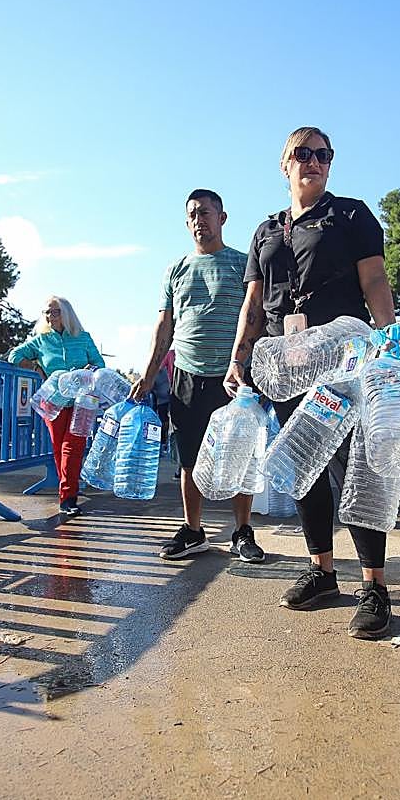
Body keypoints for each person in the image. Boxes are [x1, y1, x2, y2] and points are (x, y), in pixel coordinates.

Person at [224, 126, 398, 638]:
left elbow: (374, 281)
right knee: (304, 467)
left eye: (323, 155)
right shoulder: (265, 232)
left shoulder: (351, 215)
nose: (313, 162)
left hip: (342, 362)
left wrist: (390, 344)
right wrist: (239, 358)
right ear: (284, 164)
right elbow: (254, 306)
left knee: (354, 468)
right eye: (302, 153)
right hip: (286, 367)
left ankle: (375, 587)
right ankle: (323, 571)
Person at [130, 189, 264, 563]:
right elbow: (164, 327)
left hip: (234, 377)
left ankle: (242, 531)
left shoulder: (242, 264)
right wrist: (147, 374)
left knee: (239, 454)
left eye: (205, 212)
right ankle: (194, 531)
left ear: (222, 218)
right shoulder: (176, 269)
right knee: (188, 457)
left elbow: (257, 315)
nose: (198, 220)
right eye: (192, 215)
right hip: (186, 374)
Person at [9, 296, 105, 516]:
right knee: (59, 448)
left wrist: (88, 371)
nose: (49, 316)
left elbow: (100, 364)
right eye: (46, 312)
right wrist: (36, 368)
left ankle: (68, 498)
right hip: (53, 401)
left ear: (66, 313)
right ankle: (67, 492)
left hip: (83, 402)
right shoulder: (41, 340)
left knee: (73, 447)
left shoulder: (83, 337)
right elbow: (14, 356)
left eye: (54, 311)